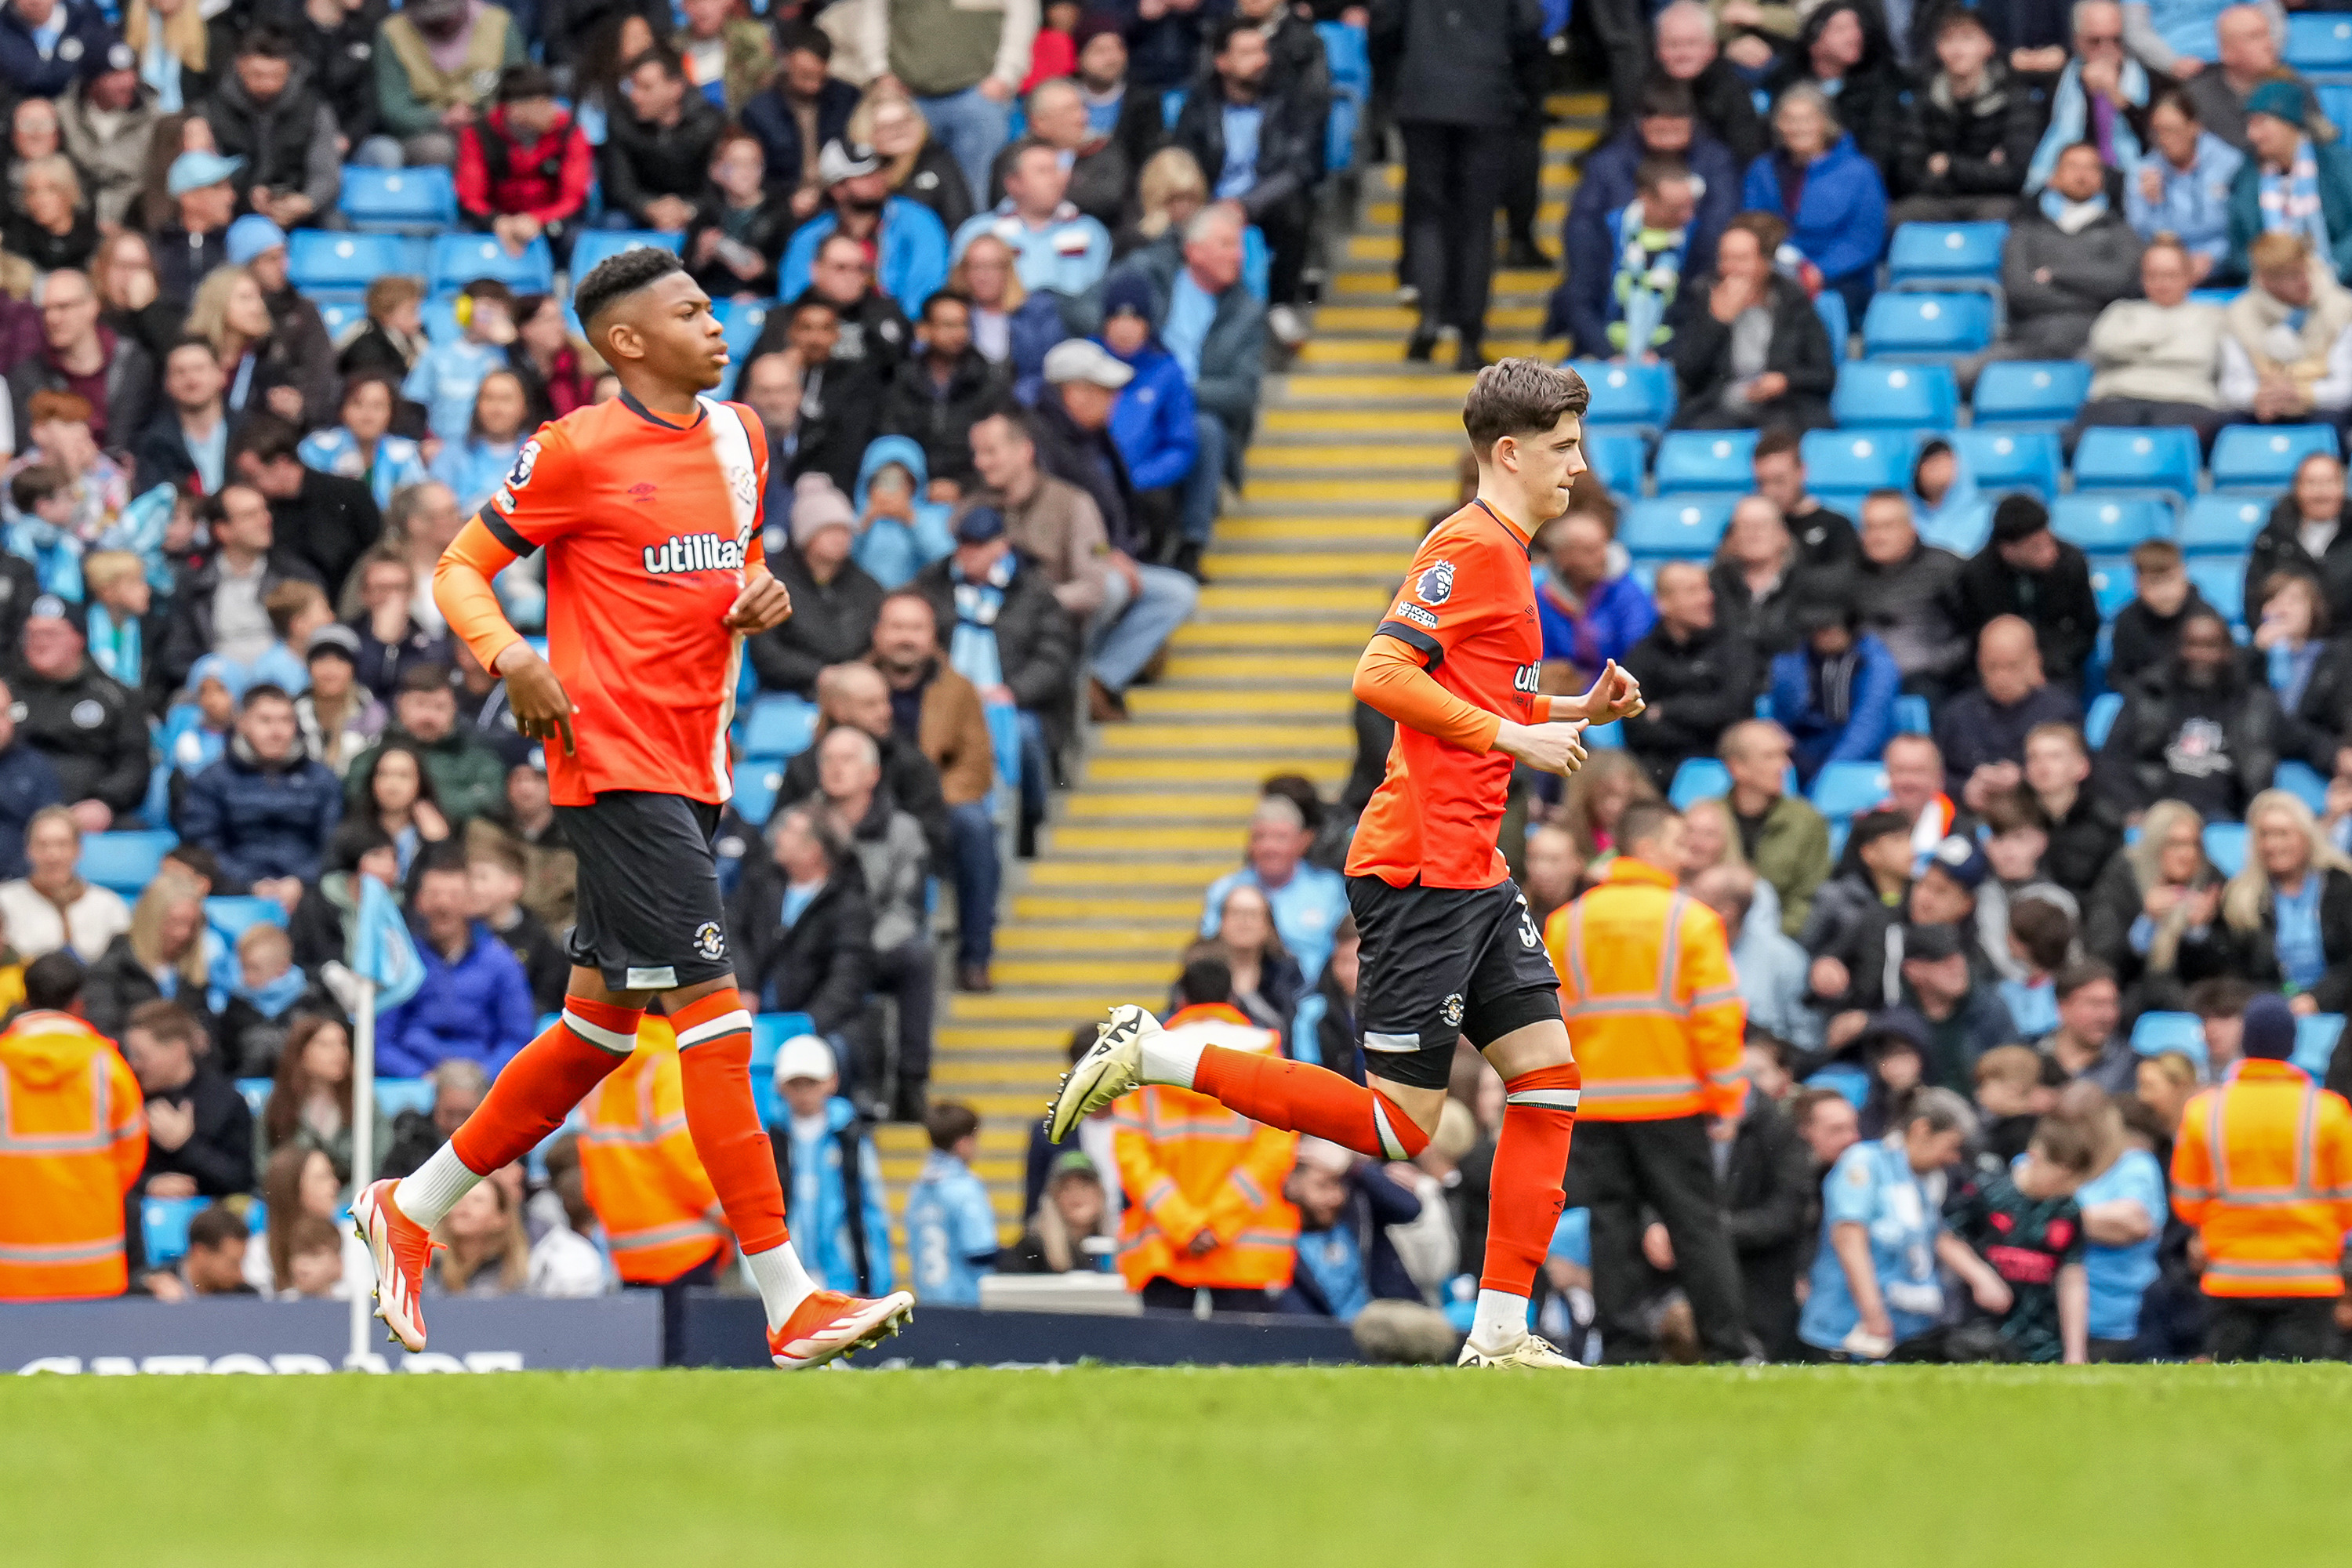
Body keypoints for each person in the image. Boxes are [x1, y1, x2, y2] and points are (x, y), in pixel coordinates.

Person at [351, 250, 917, 1367]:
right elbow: (459, 570)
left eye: (711, 306)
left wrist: (761, 597)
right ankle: (787, 1294)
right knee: (714, 1017)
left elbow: (736, 575)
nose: (717, 324)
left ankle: (410, 1205)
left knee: (600, 1030)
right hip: (611, 763)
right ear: (625, 343)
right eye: (690, 310)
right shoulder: (573, 451)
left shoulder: (743, 438)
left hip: (695, 763)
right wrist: (511, 657)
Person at [1050, 359, 1648, 1369]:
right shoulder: (1468, 543)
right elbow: (1380, 671)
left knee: (1546, 1080)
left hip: (1472, 865)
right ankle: (1156, 1052)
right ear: (1509, 452)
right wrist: (1515, 740)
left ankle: (1499, 1333)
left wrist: (1571, 710)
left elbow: (1473, 689)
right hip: (1420, 866)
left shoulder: (1510, 556)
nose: (1577, 468)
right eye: (1563, 448)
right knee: (1401, 1127)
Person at [1548, 802, 1750, 1362]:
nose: (1687, 852)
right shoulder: (1690, 919)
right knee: (1696, 1228)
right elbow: (1716, 1017)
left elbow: (1552, 1016)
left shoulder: (1568, 921)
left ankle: (1622, 1348)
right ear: (1650, 847)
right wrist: (1728, 1096)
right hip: (1671, 1099)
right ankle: (1726, 1346)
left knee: (1612, 1230)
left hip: (1596, 1104)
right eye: (1678, 840)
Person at [1108, 959, 1302, 1312]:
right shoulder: (1265, 1058)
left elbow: (1131, 1155)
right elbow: (1274, 1152)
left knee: (1162, 1361)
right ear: (1232, 997)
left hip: (1164, 1243)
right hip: (1244, 1245)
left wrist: (1184, 1224)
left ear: (1181, 998)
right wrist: (1219, 1223)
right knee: (1245, 1362)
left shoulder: (1143, 1062)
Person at [2172, 993, 2352, 1360]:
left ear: (2246, 1042)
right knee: (2300, 1395)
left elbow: (2187, 1203)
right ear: (2292, 1045)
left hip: (2230, 1275)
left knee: (2231, 1395)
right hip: (2309, 1275)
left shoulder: (2205, 1111)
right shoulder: (2329, 1112)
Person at [1102, 204, 1268, 572]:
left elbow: (1242, 393)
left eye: (1238, 246)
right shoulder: (1148, 274)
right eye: (1226, 244)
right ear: (1193, 250)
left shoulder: (1247, 311)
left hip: (1190, 405)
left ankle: (1192, 544)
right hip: (1129, 386)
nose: (1238, 256)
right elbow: (1093, 308)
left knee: (1204, 430)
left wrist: (1174, 391)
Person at [1382, 0, 1543, 369]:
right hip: (1486, 94)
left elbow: (1384, 22)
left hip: (1422, 92)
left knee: (1426, 214)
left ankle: (1429, 320)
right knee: (1477, 222)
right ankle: (1469, 338)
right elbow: (1529, 23)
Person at [1798, 1088, 2011, 1359]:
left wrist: (1981, 1277)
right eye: (1951, 1146)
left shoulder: (1919, 1178)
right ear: (1922, 1130)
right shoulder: (1865, 1163)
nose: (1953, 1158)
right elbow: (1849, 1239)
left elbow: (1936, 1235)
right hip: (1849, 1326)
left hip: (1903, 1329)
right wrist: (1872, 1312)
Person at [579, 1011, 730, 1345]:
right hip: (688, 1247)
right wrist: (733, 1215)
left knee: (646, 1372)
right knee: (693, 1373)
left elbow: (590, 1161)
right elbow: (687, 1160)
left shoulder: (602, 1078)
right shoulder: (667, 1067)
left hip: (627, 1252)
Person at [0, 953, 145, 1299]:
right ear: (79, 1004)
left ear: (25, 999)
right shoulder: (108, 1066)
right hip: (94, 1265)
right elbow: (131, 1156)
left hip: (10, 1270)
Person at [1555, 78, 1737, 354]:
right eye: (1660, 132)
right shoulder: (1607, 166)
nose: (1668, 142)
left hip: (1682, 298)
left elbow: (1720, 220)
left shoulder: (1715, 161)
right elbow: (1581, 235)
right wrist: (1606, 352)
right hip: (1612, 304)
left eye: (1677, 131)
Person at [1975, 142, 2147, 386]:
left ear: (2102, 179)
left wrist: (2057, 275)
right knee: (1960, 374)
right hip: (2028, 340)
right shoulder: (2024, 230)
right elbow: (2020, 290)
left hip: (2096, 343)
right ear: (2054, 176)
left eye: (2091, 168)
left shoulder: (2122, 233)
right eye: (2073, 166)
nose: (2081, 175)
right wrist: (2093, 298)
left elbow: (2120, 284)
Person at [2099, 608, 2281, 819]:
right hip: (2158, 816)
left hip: (2226, 820)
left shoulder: (2255, 704)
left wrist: (2329, 757)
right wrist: (2133, 808)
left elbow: (2308, 742)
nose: (2200, 655)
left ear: (2229, 652)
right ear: (2177, 649)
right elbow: (2111, 761)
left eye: (2210, 646)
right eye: (2192, 645)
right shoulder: (2148, 696)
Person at [1667, 213, 1836, 432]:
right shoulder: (1701, 296)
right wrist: (1716, 322)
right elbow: (1686, 372)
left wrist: (1785, 380)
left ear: (1765, 263)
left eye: (1741, 259)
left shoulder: (1793, 300)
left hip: (1783, 406)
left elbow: (1823, 373)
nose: (1731, 268)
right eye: (1725, 258)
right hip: (1719, 406)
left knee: (1785, 431)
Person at [1945, 1116, 2094, 1363]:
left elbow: (2072, 1277)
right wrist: (1980, 1276)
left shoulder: (2067, 1208)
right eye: (2063, 1177)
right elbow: (1947, 1238)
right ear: (2036, 1156)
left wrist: (2075, 1352)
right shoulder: (1989, 1189)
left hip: (2042, 1339)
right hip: (1982, 1331)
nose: (2071, 1187)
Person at [176, 681, 341, 895]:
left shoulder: (322, 779)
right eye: (265, 720)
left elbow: (333, 846)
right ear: (243, 722)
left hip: (308, 894)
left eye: (285, 720)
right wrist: (250, 885)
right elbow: (203, 846)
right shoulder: (212, 780)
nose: (277, 731)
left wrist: (301, 882)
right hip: (233, 891)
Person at [1740, 84, 1886, 323]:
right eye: (1789, 120)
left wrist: (1818, 271)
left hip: (1840, 281)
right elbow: (1753, 226)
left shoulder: (1860, 173)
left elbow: (1864, 240)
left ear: (1825, 124)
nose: (1798, 128)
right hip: (1774, 273)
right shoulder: (1763, 171)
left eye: (1807, 119)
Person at [766, 1032, 895, 1298]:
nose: (804, 1093)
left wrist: (876, 1278)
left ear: (832, 1082)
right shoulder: (772, 1140)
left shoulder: (850, 1138)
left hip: (844, 1278)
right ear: (780, 1086)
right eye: (795, 1084)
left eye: (811, 1083)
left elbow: (872, 1208)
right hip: (789, 1279)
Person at [2073, 238, 2229, 450]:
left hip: (2187, 401)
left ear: (2189, 276)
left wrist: (2134, 349)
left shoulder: (2212, 316)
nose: (2162, 283)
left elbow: (2199, 354)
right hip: (2118, 399)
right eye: (2153, 275)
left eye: (2170, 275)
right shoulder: (2121, 311)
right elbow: (2105, 346)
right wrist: (2162, 337)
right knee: (2080, 446)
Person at [1890, 8, 2038, 226]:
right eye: (1948, 40)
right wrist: (1986, 169)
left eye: (1967, 38)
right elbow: (1908, 174)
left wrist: (1948, 166)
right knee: (1896, 217)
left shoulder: (2014, 98)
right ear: (1938, 49)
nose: (1957, 50)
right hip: (1936, 202)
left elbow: (2016, 175)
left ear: (1988, 46)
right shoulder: (1923, 101)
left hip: (1995, 203)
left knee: (2014, 217)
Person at [1616, 562, 1755, 794]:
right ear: (1663, 603)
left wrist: (1668, 710)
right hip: (1659, 770)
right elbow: (1636, 726)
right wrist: (1703, 724)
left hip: (1722, 765)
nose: (1707, 598)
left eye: (1706, 589)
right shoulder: (1642, 656)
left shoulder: (1734, 647)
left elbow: (1735, 711)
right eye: (1693, 591)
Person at [1200, 794, 1350, 988]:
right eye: (1260, 837)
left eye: (1280, 837)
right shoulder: (1225, 890)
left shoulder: (1330, 889)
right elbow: (1209, 953)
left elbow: (1348, 951)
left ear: (1302, 841)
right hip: (1246, 1003)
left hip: (1317, 1004)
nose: (1269, 847)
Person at [1934, 617, 2083, 811]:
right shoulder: (1956, 714)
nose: (2001, 677)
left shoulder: (2060, 711)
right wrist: (1965, 789)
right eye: (1992, 666)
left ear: (2034, 661)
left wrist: (2026, 779)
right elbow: (1935, 773)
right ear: (1979, 662)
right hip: (1968, 817)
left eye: (2012, 666)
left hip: (2040, 814)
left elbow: (2080, 772)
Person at [1958, 495, 2101, 693]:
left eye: (2049, 540)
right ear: (2007, 551)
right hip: (1999, 667)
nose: (2050, 552)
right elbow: (1975, 634)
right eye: (2036, 548)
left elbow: (2086, 627)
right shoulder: (1977, 576)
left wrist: (2048, 662)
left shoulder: (2071, 562)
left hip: (2057, 666)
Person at [455, 64, 593, 262]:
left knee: (578, 239)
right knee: (463, 236)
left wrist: (537, 220)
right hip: (497, 221)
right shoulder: (478, 134)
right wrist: (497, 221)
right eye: (542, 103)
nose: (553, 110)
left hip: (551, 222)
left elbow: (574, 197)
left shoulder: (569, 131)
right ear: (515, 110)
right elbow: (470, 196)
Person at [2220, 233, 2352, 430]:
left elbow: (2346, 384)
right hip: (2263, 407)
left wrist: (2302, 394)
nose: (2303, 281)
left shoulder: (2342, 307)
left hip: (2324, 408)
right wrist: (2258, 396)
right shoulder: (2240, 315)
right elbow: (2231, 385)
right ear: (2264, 280)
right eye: (2290, 276)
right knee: (2228, 423)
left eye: (2304, 269)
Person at [370, 0, 524, 168]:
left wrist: (480, 118)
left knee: (507, 143)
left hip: (491, 124)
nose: (441, 23)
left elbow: (520, 90)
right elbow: (393, 108)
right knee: (438, 149)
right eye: (431, 17)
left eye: (447, 15)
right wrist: (441, 118)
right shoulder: (393, 32)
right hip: (428, 134)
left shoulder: (498, 23)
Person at [2227, 79, 2352, 283]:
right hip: (2269, 287)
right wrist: (2270, 275)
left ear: (2288, 123)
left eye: (2260, 123)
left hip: (2335, 284)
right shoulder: (2246, 176)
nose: (2252, 135)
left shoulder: (2338, 166)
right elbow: (2238, 247)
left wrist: (2331, 272)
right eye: (2249, 124)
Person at [1717, 718, 1831, 938]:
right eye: (1770, 756)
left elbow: (1810, 899)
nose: (1785, 766)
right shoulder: (1707, 818)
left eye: (1784, 755)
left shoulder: (1807, 821)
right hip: (1712, 935)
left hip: (1781, 940)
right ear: (1737, 767)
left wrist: (1771, 937)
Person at [1768, 599, 1899, 787]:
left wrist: (1830, 774)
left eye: (1833, 625)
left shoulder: (1875, 662)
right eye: (1818, 626)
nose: (1825, 632)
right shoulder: (1792, 659)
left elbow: (1867, 728)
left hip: (1858, 759)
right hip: (1803, 753)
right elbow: (1782, 717)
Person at [741, 23, 858, 219]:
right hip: (782, 205)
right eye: (805, 76)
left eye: (820, 78)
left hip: (840, 197)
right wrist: (786, 200)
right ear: (786, 60)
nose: (813, 86)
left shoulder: (847, 98)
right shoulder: (758, 111)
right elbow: (755, 175)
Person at [1537, 506, 1655, 689]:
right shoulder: (1542, 600)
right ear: (1563, 557)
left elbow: (1638, 655)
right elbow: (1538, 659)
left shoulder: (1628, 594)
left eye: (1604, 545)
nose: (1602, 557)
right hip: (1560, 695)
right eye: (1590, 550)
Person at [2127, 89, 2241, 278]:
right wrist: (2153, 204)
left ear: (2194, 127)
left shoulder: (2230, 164)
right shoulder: (2144, 171)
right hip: (2168, 271)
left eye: (2171, 130)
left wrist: (2213, 257)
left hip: (2226, 266)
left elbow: (2242, 226)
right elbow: (2138, 237)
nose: (2164, 140)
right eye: (2158, 131)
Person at [1642, 2, 1769, 169]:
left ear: (1711, 48)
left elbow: (1747, 154)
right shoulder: (1645, 89)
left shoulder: (1732, 89)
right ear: (1658, 49)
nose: (1683, 54)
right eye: (1673, 44)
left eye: (1691, 43)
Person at [900, 1101, 999, 1305]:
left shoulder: (919, 1189)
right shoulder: (966, 1188)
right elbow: (980, 1250)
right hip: (966, 1303)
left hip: (928, 1300)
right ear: (963, 1143)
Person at [2245, 452, 2352, 630]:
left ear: (2342, 487)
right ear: (2297, 488)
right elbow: (2254, 598)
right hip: (2286, 643)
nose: (2320, 492)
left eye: (2328, 482)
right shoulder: (2271, 537)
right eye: (2311, 483)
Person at [2111, 538, 2207, 692]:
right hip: (2148, 704)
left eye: (2170, 580)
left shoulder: (2206, 618)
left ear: (2184, 574)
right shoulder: (2127, 621)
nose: (2165, 592)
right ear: (2138, 583)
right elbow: (2119, 676)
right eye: (2154, 582)